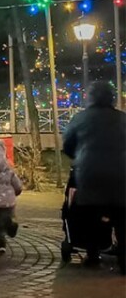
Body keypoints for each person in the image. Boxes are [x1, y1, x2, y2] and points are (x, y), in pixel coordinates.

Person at [62, 80, 126, 273]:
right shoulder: (123, 119)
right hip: (121, 178)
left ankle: (92, 253)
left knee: (88, 215)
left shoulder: (80, 118)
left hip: (90, 178)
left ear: (89, 97)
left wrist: (81, 159)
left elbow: (68, 145)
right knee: (122, 218)